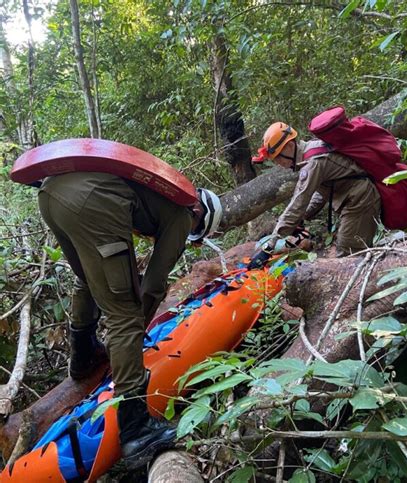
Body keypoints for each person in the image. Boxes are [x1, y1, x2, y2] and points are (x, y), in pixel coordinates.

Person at [38, 171, 222, 470]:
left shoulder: (161, 198)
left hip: (51, 194)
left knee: (86, 278)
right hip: (93, 200)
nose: (189, 233)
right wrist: (133, 332)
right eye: (195, 231)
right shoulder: (181, 213)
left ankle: (82, 355)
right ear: (199, 213)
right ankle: (135, 430)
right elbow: (153, 285)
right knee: (124, 311)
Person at [249, 122, 381, 266]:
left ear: (289, 147)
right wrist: (304, 216)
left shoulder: (313, 163)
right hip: (357, 199)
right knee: (353, 252)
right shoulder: (311, 153)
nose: (278, 163)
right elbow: (322, 192)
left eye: (278, 158)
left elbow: (298, 202)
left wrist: (269, 247)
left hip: (359, 201)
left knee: (348, 255)